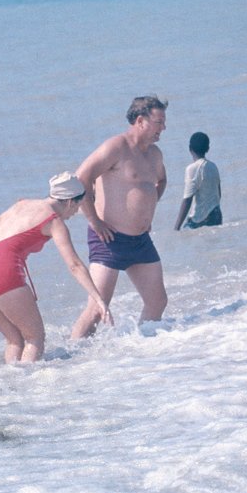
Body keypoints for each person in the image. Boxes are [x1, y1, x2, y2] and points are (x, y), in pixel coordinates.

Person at [0, 172, 113, 362]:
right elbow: (75, 265)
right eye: (78, 206)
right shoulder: (54, 221)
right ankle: (27, 390)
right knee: (34, 339)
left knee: (14, 340)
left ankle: (8, 386)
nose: (76, 212)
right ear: (70, 202)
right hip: (1, 275)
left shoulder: (22, 204)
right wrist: (98, 299)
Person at [71, 96, 168, 339]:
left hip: (141, 241)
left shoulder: (155, 154)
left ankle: (138, 351)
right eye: (159, 122)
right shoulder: (116, 147)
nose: (163, 128)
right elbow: (81, 178)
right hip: (109, 240)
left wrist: (147, 210)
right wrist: (94, 221)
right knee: (96, 309)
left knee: (157, 302)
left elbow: (161, 180)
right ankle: (69, 361)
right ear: (140, 120)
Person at [174, 131, 222, 230]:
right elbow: (218, 193)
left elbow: (187, 199)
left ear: (190, 149)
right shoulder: (213, 166)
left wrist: (176, 227)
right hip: (216, 215)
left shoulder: (192, 169)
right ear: (208, 149)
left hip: (201, 219)